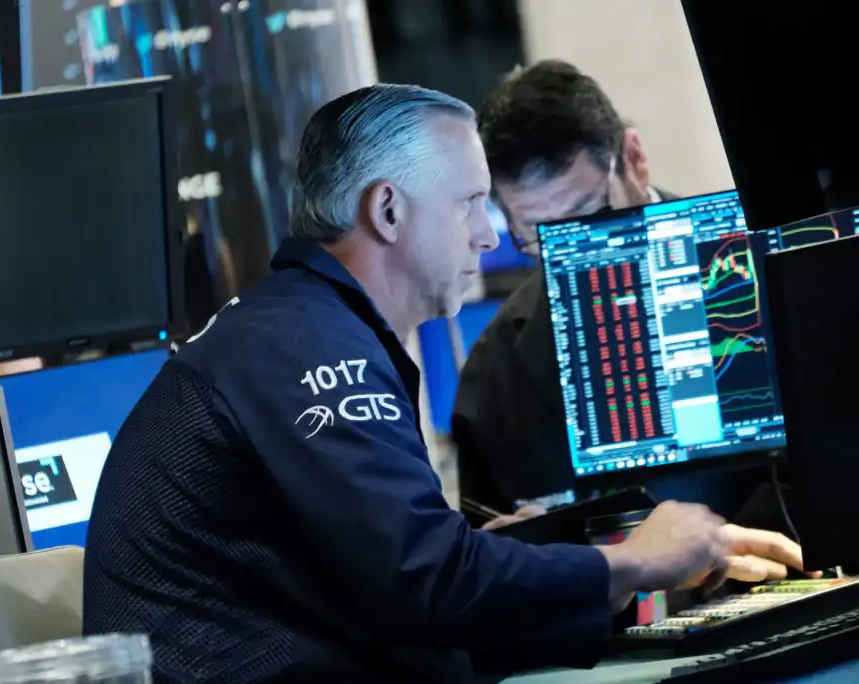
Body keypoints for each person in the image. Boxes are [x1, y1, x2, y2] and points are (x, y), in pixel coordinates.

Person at [82, 84, 808, 684]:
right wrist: (634, 559)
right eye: (469, 204)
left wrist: (613, 587)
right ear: (388, 210)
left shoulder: (301, 329)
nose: (488, 238)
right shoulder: (305, 349)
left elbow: (399, 593)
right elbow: (428, 584)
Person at [452, 60, 712, 528]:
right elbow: (490, 554)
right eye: (538, 235)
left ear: (633, 159)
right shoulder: (495, 374)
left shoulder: (749, 272)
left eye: (589, 215)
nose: (575, 254)